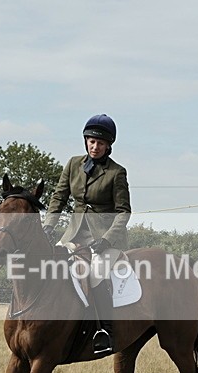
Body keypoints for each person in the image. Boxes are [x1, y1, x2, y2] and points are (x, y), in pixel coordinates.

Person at [44, 114, 131, 355]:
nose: (95, 147)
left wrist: (107, 239)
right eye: (91, 141)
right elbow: (59, 197)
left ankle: (105, 330)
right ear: (86, 141)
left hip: (105, 238)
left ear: (108, 146)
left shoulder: (117, 172)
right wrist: (48, 225)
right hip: (73, 234)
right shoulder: (73, 164)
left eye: (100, 143)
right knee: (50, 265)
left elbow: (124, 212)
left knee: (95, 275)